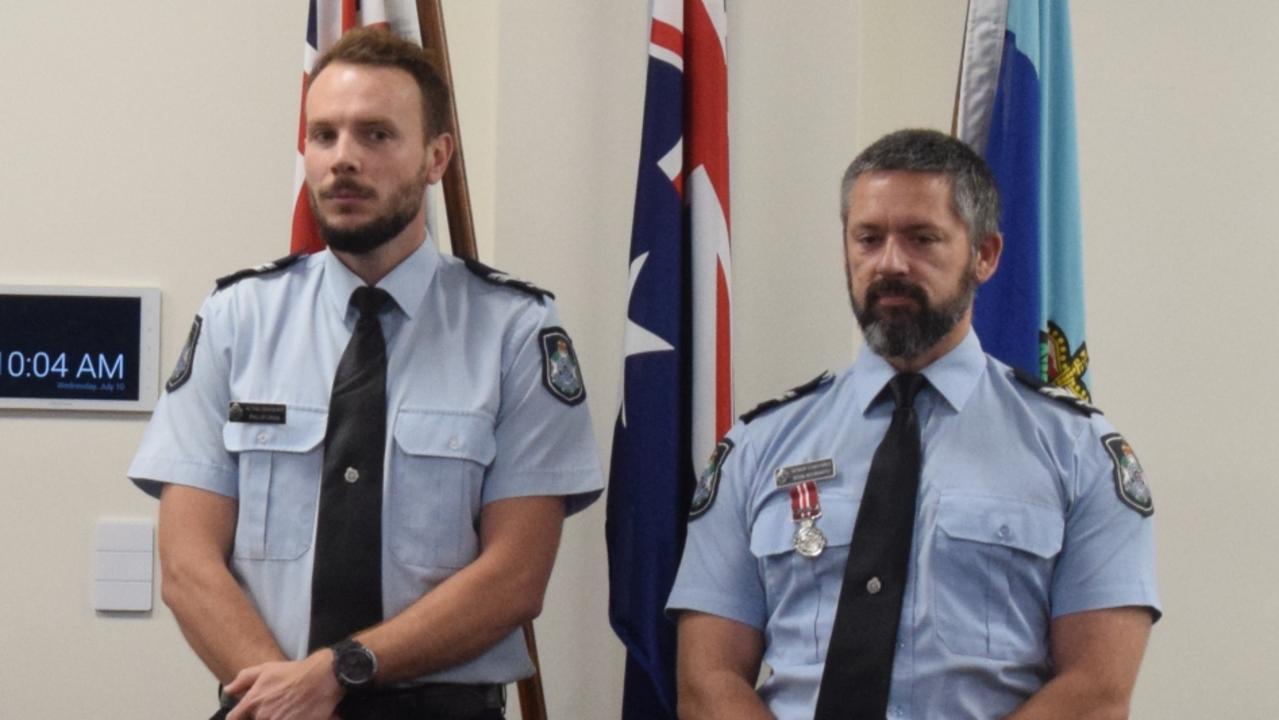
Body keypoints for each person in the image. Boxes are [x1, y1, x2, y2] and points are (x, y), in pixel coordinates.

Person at [128, 28, 602, 720]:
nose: (343, 159)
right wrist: (287, 696)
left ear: (437, 156)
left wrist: (339, 672)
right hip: (266, 702)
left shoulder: (515, 331)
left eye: (376, 135)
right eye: (324, 136)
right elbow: (186, 563)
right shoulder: (237, 320)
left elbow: (514, 579)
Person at [667, 129, 1160, 719]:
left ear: (985, 254)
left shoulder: (1078, 451)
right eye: (868, 239)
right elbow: (709, 677)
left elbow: (1097, 690)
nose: (890, 263)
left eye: (922, 239)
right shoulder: (758, 447)